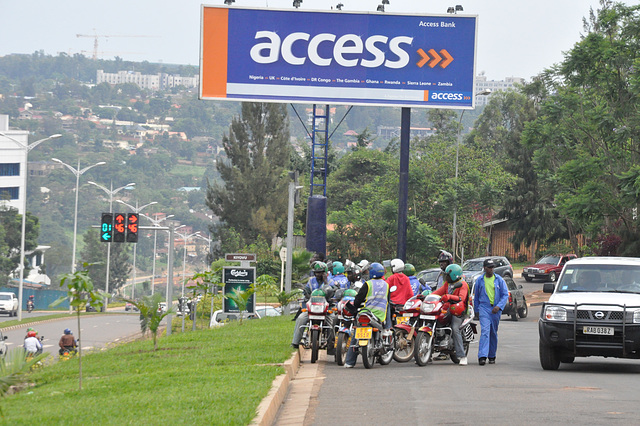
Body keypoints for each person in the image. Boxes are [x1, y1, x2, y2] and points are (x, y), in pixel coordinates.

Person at [344, 262, 390, 368]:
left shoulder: (368, 284)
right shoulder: (386, 285)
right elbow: (387, 301)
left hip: (366, 313)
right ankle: (386, 329)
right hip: (380, 315)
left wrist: (355, 305)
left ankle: (349, 362)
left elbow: (358, 299)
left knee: (356, 335)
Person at [291, 261, 336, 350]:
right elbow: (306, 291)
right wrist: (307, 295)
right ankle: (295, 342)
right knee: (300, 318)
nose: (318, 274)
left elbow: (332, 291)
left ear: (325, 272)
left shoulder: (330, 281)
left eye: (320, 272)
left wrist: (326, 282)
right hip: (311, 309)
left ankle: (331, 343)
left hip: (325, 310)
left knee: (332, 321)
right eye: (316, 272)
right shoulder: (311, 281)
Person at [432, 264, 470, 365]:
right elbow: (437, 292)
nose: (446, 278)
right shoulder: (447, 284)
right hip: (446, 308)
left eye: (447, 276)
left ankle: (462, 356)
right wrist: (427, 295)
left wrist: (449, 296)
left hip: (458, 310)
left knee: (455, 328)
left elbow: (461, 298)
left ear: (454, 275)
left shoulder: (462, 284)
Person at [473, 258, 509, 365]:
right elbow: (476, 297)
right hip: (484, 308)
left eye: (492, 267)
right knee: (485, 331)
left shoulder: (499, 280)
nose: (491, 269)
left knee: (493, 332)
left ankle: (491, 355)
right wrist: (476, 311)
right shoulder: (480, 280)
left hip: (495, 310)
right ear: (484, 268)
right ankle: (482, 356)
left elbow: (505, 294)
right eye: (489, 268)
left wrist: (499, 306)